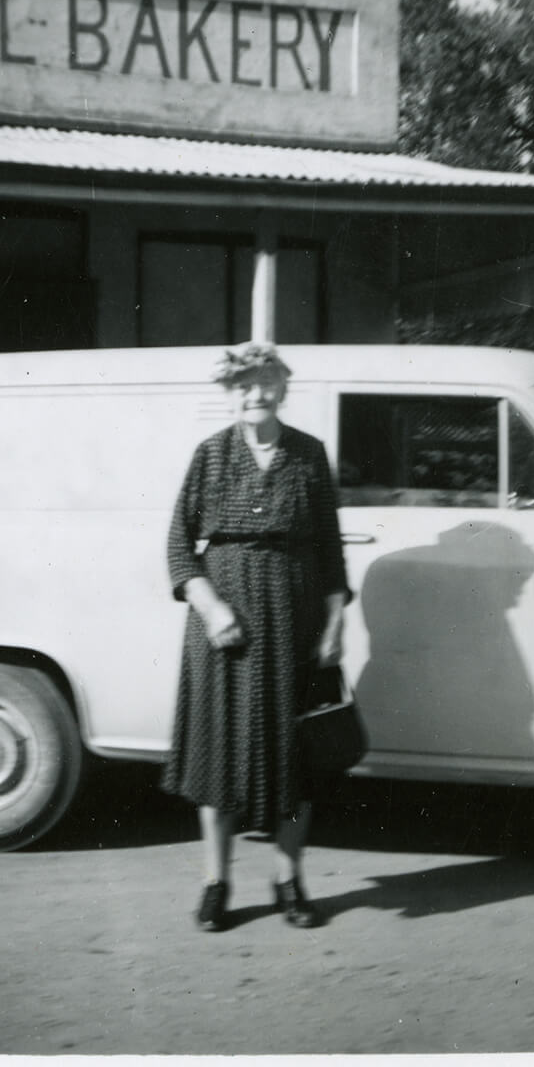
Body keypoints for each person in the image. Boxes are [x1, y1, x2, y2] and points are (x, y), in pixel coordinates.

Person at [162, 342, 351, 932]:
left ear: (283, 387)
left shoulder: (309, 456)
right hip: (226, 632)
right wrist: (212, 607)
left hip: (295, 624)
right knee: (217, 756)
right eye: (244, 385)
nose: (256, 393)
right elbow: (177, 548)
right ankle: (217, 883)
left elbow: (330, 552)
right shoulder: (210, 455)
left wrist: (337, 621)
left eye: (266, 382)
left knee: (296, 760)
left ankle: (288, 879)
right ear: (230, 393)